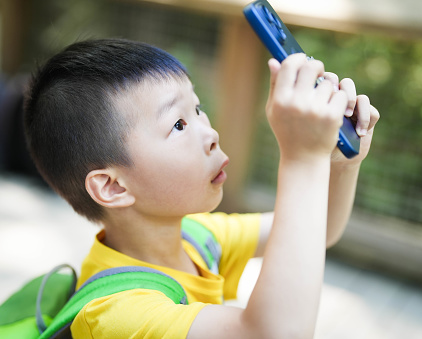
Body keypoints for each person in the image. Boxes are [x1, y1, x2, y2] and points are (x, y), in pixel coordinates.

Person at [24, 38, 379, 338]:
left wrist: (343, 164)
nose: (210, 134)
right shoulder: (115, 313)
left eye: (198, 108)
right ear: (113, 186)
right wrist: (302, 158)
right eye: (178, 124)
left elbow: (321, 231)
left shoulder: (195, 236)